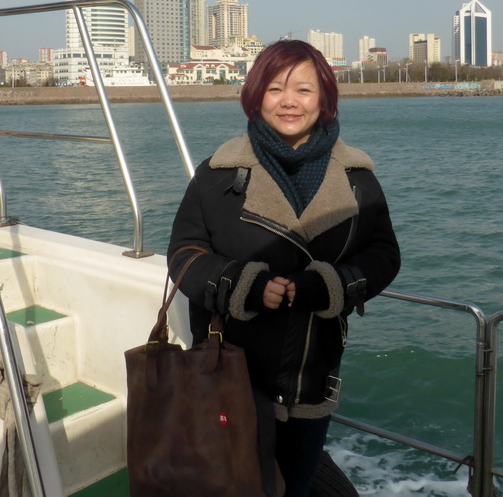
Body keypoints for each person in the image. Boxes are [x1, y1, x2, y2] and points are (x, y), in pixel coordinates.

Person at [168, 39, 400, 497]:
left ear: (325, 100)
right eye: (275, 89)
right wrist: (243, 286)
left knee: (295, 483)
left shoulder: (358, 179)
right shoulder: (217, 174)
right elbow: (184, 253)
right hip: (230, 374)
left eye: (304, 90)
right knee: (229, 483)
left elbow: (384, 254)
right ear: (255, 96)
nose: (289, 101)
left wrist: (332, 286)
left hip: (312, 374)